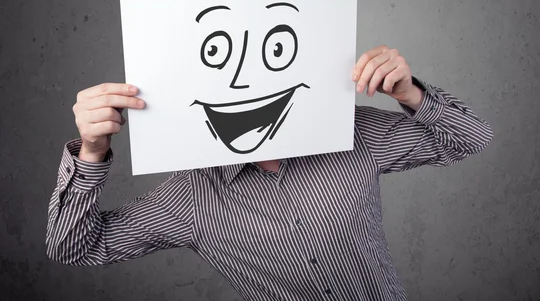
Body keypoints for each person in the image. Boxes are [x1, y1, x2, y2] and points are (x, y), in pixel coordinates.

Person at [46, 46, 493, 300]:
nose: (243, 80)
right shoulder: (191, 196)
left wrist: (410, 92)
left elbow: (469, 137)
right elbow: (73, 246)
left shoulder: (353, 132)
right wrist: (91, 151)